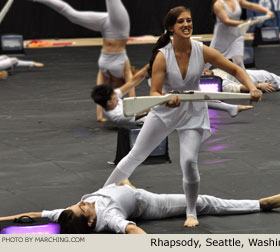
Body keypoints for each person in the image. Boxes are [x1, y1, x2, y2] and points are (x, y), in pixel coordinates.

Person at [102, 6, 262, 228]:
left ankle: (191, 211)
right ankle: (100, 195)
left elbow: (235, 70)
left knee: (188, 162)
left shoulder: (202, 50)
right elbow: (154, 92)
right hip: (164, 112)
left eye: (189, 20)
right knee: (135, 155)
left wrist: (252, 87)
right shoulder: (162, 56)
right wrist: (166, 98)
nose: (187, 24)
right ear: (171, 28)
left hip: (193, 113)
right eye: (181, 22)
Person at [0, 181, 280, 234]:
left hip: (118, 182)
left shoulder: (69, 214)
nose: (83, 202)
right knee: (202, 202)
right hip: (147, 201)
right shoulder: (110, 219)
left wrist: (3, 218)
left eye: (79, 204)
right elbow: (132, 229)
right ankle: (258, 204)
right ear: (90, 223)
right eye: (84, 209)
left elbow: (34, 215)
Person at [29, 0, 135, 121]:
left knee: (72, 16)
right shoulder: (125, 69)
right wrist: (134, 111)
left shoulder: (103, 74)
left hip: (105, 27)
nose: (114, 91)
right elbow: (132, 87)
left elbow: (99, 95)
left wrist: (99, 117)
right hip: (120, 28)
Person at [210, 0, 274, 69]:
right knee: (209, 59)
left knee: (238, 61)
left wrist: (267, 11)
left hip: (237, 34)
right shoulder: (218, 4)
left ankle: (241, 79)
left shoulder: (237, 0)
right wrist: (245, 23)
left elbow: (251, 5)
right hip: (222, 36)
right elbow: (226, 21)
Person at [204, 68, 280, 93]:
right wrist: (259, 85)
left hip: (239, 72)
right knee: (269, 78)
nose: (205, 70)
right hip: (246, 81)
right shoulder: (221, 85)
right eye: (205, 73)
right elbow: (239, 88)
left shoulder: (210, 71)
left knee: (266, 74)